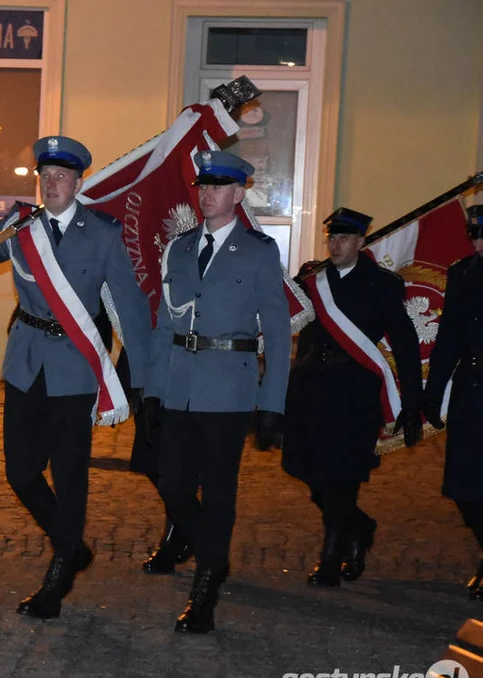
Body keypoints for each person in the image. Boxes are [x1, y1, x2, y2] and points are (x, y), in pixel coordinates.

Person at [0, 135, 151, 620]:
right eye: (45, 176)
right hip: (25, 361)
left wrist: (140, 375)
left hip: (75, 367)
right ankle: (70, 544)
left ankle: (59, 573)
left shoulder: (102, 233)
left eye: (61, 176)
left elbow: (129, 304)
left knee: (70, 473)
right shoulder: (22, 226)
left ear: (78, 183)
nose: (52, 183)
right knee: (19, 470)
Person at [143, 150, 291, 634]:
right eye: (203, 186)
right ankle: (211, 552)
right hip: (179, 385)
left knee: (220, 490)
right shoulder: (180, 248)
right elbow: (165, 322)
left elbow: (278, 328)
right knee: (173, 484)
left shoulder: (259, 250)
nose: (207, 194)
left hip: (229, 388)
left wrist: (272, 403)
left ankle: (205, 590)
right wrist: (152, 390)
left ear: (238, 194)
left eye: (219, 186)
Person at [282, 207, 422, 589]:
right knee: (309, 474)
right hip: (310, 390)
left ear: (362, 242)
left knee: (341, 478)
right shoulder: (311, 280)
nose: (336, 244)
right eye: (332, 237)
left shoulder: (382, 285)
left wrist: (412, 402)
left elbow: (406, 345)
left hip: (354, 395)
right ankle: (359, 526)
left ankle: (330, 557)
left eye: (344, 238)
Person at [421, 204, 483, 598]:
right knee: (463, 485)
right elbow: (449, 338)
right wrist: (433, 391)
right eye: (474, 235)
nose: (478, 243)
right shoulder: (463, 272)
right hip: (472, 386)